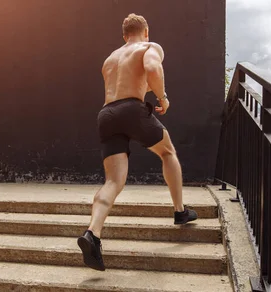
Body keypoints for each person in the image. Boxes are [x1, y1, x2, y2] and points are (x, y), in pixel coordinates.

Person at [77, 13, 198, 271]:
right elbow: (153, 69)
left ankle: (92, 234)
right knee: (168, 153)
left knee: (113, 181)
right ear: (146, 31)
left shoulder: (110, 59)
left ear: (124, 35)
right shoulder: (149, 47)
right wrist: (163, 98)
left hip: (107, 114)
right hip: (132, 109)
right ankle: (180, 211)